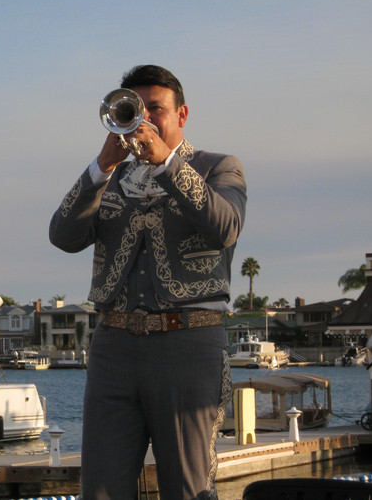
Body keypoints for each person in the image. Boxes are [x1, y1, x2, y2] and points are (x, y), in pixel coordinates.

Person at [49, 65, 247, 500]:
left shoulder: (219, 168)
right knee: (100, 489)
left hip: (188, 345)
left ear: (182, 114)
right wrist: (100, 167)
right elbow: (63, 236)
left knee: (187, 488)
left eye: (155, 109)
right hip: (113, 347)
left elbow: (226, 227)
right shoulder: (111, 177)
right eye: (134, 110)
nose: (145, 121)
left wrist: (167, 165)